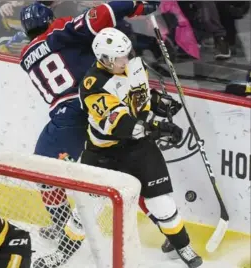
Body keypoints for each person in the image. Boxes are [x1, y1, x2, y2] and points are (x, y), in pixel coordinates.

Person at [19, 1, 160, 267]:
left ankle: (61, 225)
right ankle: (164, 225)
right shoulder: (59, 30)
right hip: (101, 103)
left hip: (66, 119)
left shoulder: (25, 55)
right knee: (131, 167)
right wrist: (136, 6)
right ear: (50, 19)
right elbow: (101, 14)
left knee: (42, 171)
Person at [79, 27, 203, 268]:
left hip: (137, 147)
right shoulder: (93, 85)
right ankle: (66, 246)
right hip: (103, 153)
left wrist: (160, 105)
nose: (125, 60)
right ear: (103, 59)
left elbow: (140, 97)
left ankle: (182, 246)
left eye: (127, 53)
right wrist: (159, 128)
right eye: (119, 57)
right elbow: (121, 124)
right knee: (85, 209)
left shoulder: (134, 66)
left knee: (161, 203)